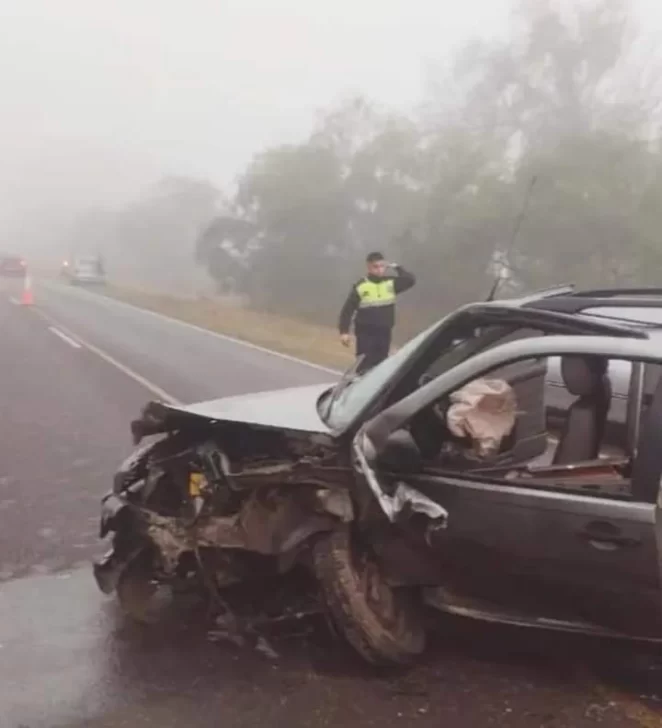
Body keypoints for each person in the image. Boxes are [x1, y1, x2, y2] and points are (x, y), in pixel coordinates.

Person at [338, 251, 416, 373]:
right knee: (364, 365)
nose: (379, 270)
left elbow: (410, 280)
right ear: (369, 267)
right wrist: (344, 332)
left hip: (384, 332)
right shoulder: (361, 286)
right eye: (376, 267)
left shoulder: (391, 283)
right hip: (365, 333)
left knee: (380, 366)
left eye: (382, 266)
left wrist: (397, 267)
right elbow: (348, 310)